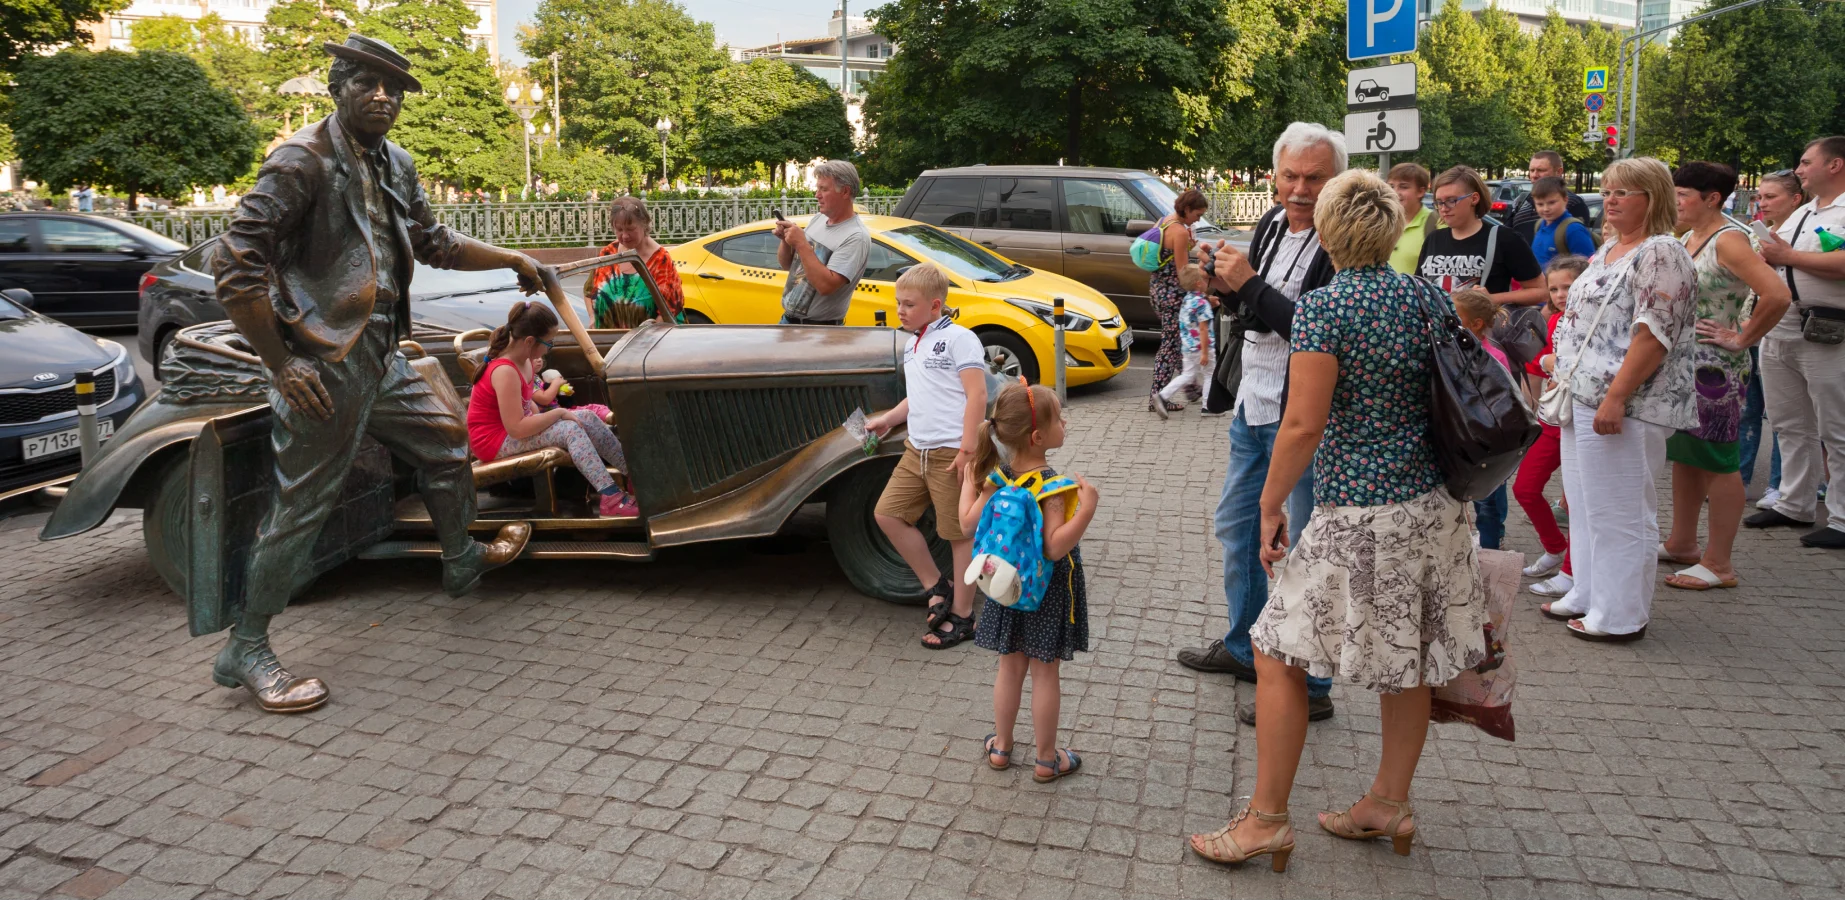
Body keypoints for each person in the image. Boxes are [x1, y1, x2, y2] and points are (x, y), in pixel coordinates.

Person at [210, 34, 538, 713]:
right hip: (323, 359)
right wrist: (282, 362)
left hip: (383, 348)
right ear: (338, 87)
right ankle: (246, 643)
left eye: (393, 88)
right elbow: (234, 265)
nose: (383, 96)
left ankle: (459, 559)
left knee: (447, 441)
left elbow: (433, 242)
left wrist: (512, 256)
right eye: (367, 82)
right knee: (302, 504)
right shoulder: (300, 161)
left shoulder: (395, 161)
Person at [1187, 169, 1485, 871]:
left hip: (1358, 511)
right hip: (1431, 506)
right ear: (1390, 228)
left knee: (1276, 650)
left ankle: (1264, 821)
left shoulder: (1325, 307)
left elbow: (1301, 424)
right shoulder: (1422, 296)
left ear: (1325, 230)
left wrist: (1269, 505)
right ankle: (1386, 800)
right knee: (1405, 656)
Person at [1176, 122, 1339, 724]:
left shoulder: (1341, 239)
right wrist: (1223, 285)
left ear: (1334, 181)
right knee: (1239, 530)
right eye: (1290, 176)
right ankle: (1246, 647)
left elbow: (1317, 334)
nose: (1299, 189)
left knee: (1301, 549)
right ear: (1274, 175)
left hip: (1306, 418)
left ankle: (1311, 685)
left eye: (1313, 178)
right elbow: (1257, 312)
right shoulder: (1270, 223)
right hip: (1256, 402)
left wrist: (1249, 283)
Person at [1541, 157, 1698, 642]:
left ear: (1652, 198)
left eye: (1623, 192)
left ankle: (1621, 614)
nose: (1609, 200)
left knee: (1622, 511)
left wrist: (1617, 397)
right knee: (1588, 504)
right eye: (1607, 191)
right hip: (1582, 395)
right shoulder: (1611, 247)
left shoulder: (1661, 252)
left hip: (1623, 401)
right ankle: (1588, 590)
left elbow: (1653, 333)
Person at [1658, 162, 1793, 588]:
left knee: (1719, 460)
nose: (1675, 201)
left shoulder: (1730, 239)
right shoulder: (1689, 237)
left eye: (1682, 194)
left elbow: (1777, 294)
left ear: (1712, 198)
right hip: (1686, 366)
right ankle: (1682, 542)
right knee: (1686, 455)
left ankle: (1719, 563)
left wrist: (1742, 337)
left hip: (1715, 369)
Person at [961, 383, 1098, 783]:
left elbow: (967, 523)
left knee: (1009, 669)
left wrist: (971, 478)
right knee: (1044, 673)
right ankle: (1044, 760)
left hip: (1005, 586)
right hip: (1045, 592)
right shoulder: (1053, 488)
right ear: (1039, 438)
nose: (1065, 423)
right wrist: (1085, 510)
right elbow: (1055, 548)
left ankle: (1001, 748)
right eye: (1059, 418)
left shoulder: (997, 478)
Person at [865, 263, 989, 648]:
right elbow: (920, 393)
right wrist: (888, 418)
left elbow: (977, 395)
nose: (900, 310)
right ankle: (937, 585)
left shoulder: (959, 339)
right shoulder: (914, 341)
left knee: (958, 534)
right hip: (915, 449)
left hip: (951, 451)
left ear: (935, 305)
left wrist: (968, 450)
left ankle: (965, 617)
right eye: (898, 302)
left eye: (908, 304)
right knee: (887, 513)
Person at [1746, 136, 1845, 549]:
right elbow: (1772, 252)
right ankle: (1794, 502)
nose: (1800, 169)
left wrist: (1789, 259)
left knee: (1836, 428)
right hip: (1781, 326)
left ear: (1835, 165)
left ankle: (1841, 518)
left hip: (1828, 329)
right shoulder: (1805, 210)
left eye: (1806, 162)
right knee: (1789, 423)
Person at [466, 302, 639, 517]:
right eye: (548, 342)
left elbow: (526, 406)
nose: (548, 347)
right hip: (492, 442)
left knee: (587, 416)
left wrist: (550, 420)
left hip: (512, 430)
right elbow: (516, 429)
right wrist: (557, 414)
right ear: (529, 341)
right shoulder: (505, 371)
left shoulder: (525, 361)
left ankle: (635, 476)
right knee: (569, 429)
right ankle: (611, 498)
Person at [1419, 166, 1547, 372]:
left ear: (1474, 198)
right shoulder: (1434, 238)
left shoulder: (1504, 238)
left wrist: (1493, 299)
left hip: (1483, 353)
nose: (1443, 208)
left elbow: (1541, 291)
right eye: (1439, 202)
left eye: (1452, 200)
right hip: (1438, 348)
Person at [1517, 255, 1590, 596]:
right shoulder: (1554, 320)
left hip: (1584, 418)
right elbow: (1535, 365)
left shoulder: (1593, 322)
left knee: (1577, 499)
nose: (1561, 294)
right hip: (1553, 417)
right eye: (1554, 288)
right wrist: (1529, 408)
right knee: (1525, 488)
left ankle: (1573, 572)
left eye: (1569, 287)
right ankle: (1555, 548)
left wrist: (1550, 364)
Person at [1740, 170, 1805, 508]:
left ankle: (1779, 485)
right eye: (1760, 197)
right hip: (1750, 330)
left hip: (1783, 330)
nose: (1762, 203)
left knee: (1782, 416)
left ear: (1795, 199)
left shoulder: (1806, 236)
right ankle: (1740, 479)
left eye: (1771, 197)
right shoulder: (1755, 236)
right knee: (1747, 411)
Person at [1451, 288, 1513, 549]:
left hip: (1487, 443)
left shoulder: (1492, 357)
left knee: (1488, 501)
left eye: (1455, 317)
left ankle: (1490, 549)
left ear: (1475, 324)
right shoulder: (1451, 351)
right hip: (1460, 439)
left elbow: (1503, 402)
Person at [776, 159, 870, 326]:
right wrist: (786, 240)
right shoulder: (819, 219)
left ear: (845, 192)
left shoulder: (856, 236)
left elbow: (826, 286)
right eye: (817, 188)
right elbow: (788, 265)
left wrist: (802, 244)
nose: (817, 195)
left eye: (824, 189)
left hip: (821, 329)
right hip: (788, 321)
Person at [1149, 188, 1212, 413]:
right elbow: (1183, 272)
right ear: (1186, 210)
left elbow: (1167, 256)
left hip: (1157, 290)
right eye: (1197, 215)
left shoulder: (1164, 221)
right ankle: (1158, 396)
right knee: (1171, 345)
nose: (1198, 219)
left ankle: (1193, 390)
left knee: (1181, 340)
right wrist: (1202, 294)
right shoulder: (1180, 232)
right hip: (1173, 296)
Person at [585, 197, 685, 326]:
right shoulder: (608, 253)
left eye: (630, 229)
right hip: (609, 342)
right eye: (619, 230)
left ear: (644, 224)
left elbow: (671, 308)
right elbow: (588, 292)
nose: (625, 236)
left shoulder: (660, 260)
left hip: (648, 342)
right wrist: (593, 317)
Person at [1154, 263, 1216, 416]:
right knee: (1210, 374)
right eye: (1204, 279)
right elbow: (1203, 328)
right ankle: (1208, 407)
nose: (1207, 281)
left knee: (1187, 375)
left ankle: (1163, 395)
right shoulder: (1202, 303)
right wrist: (1205, 353)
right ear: (1198, 283)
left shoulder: (1187, 300)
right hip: (1203, 347)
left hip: (1188, 347)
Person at [1510, 150, 1592, 243]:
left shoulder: (1573, 203)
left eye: (1541, 170)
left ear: (1559, 171)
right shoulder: (1522, 201)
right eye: (1532, 170)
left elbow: (1579, 249)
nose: (1534, 175)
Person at [1529, 176, 1597, 267]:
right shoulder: (1539, 225)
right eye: (1540, 204)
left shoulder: (1574, 230)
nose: (1545, 209)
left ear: (1565, 200)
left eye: (1552, 202)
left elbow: (1588, 268)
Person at [1386, 163, 1432, 275]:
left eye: (1403, 187)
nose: (1395, 192)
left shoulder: (1435, 223)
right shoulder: (1382, 222)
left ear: (1421, 192)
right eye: (1391, 186)